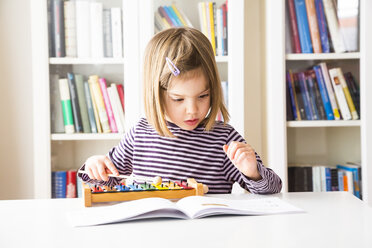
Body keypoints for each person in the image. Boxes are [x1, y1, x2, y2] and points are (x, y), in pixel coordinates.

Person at [78, 27, 282, 194]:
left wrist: (253, 172)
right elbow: (103, 184)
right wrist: (94, 167)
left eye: (203, 96)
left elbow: (273, 189)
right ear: (156, 94)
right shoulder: (140, 134)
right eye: (178, 99)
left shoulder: (224, 139)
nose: (192, 110)